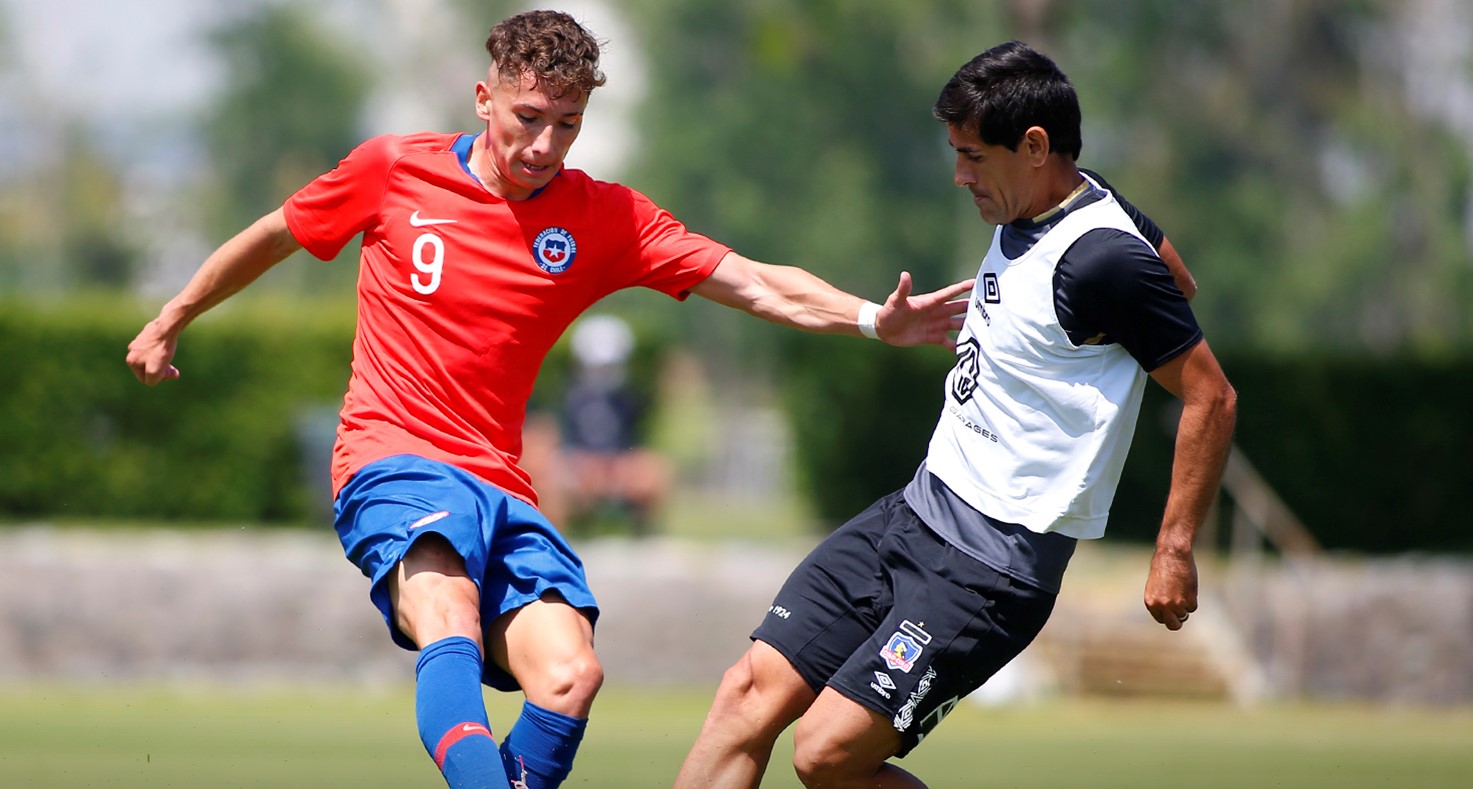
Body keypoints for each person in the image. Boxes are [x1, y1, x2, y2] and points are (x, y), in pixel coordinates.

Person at [124, 10, 970, 789]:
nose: (543, 144)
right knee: (447, 610)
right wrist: (173, 316)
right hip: (391, 460)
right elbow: (274, 234)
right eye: (528, 117)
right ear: (485, 97)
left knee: (571, 675)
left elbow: (751, 281)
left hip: (498, 482)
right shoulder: (391, 171)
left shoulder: (601, 217)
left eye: (567, 124)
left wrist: (870, 319)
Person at [673, 40, 1237, 789]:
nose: (958, 174)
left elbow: (1212, 394)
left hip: (990, 570)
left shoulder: (1101, 258)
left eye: (973, 156)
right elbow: (1181, 282)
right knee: (745, 693)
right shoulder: (1073, 194)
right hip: (912, 512)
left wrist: (1172, 546)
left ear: (1035, 147)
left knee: (827, 755)